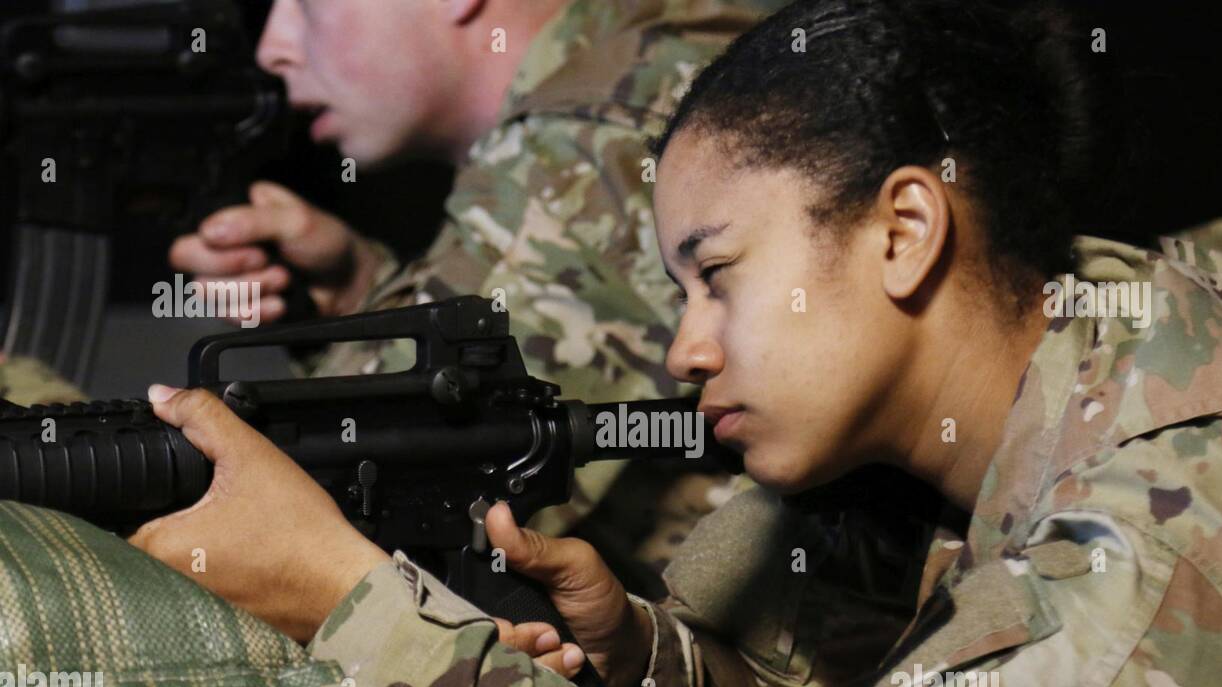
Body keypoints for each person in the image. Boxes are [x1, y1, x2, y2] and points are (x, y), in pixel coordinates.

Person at [131, 0, 1222, 687]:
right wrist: (660, 666)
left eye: (717, 275)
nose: (685, 347)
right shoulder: (1053, 358)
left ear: (903, 231)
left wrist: (353, 623)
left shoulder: (1184, 509)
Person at [168, 0, 785, 582]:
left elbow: (373, 516)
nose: (274, 49)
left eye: (306, 4)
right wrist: (359, 293)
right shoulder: (659, 62)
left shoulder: (594, 135)